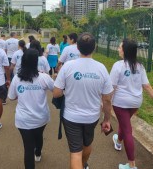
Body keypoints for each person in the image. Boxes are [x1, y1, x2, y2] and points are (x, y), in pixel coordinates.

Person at [53, 33, 114, 169]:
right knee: (87, 144)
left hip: (71, 116)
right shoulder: (102, 68)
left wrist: (68, 89)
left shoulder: (68, 66)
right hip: (92, 117)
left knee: (75, 152)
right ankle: (83, 165)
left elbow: (56, 93)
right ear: (95, 48)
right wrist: (107, 120)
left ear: (78, 47)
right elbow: (107, 99)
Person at [110, 39, 153, 169]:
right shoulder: (140, 66)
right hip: (136, 102)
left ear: (125, 50)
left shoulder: (118, 65)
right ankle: (118, 142)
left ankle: (132, 165)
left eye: (120, 47)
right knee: (125, 123)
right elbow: (147, 86)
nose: (118, 49)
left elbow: (112, 87)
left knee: (128, 130)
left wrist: (105, 103)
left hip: (120, 103)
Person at [8, 49, 54, 169]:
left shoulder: (17, 78)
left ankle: (36, 153)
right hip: (41, 117)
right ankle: (38, 153)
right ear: (35, 62)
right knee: (38, 136)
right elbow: (57, 90)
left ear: (23, 61)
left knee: (28, 148)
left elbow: (11, 97)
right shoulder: (44, 77)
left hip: (23, 119)